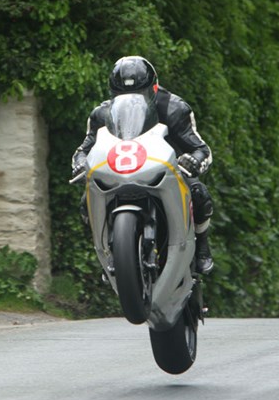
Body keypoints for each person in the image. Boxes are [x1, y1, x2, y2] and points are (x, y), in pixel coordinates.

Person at [71, 56, 214, 274]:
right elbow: (84, 149)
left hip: (168, 169)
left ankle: (202, 246)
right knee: (86, 202)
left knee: (199, 193)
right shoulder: (101, 114)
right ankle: (112, 249)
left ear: (153, 88)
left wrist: (192, 160)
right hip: (119, 169)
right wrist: (81, 163)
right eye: (121, 95)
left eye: (140, 94)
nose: (131, 101)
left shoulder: (175, 109)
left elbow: (202, 149)